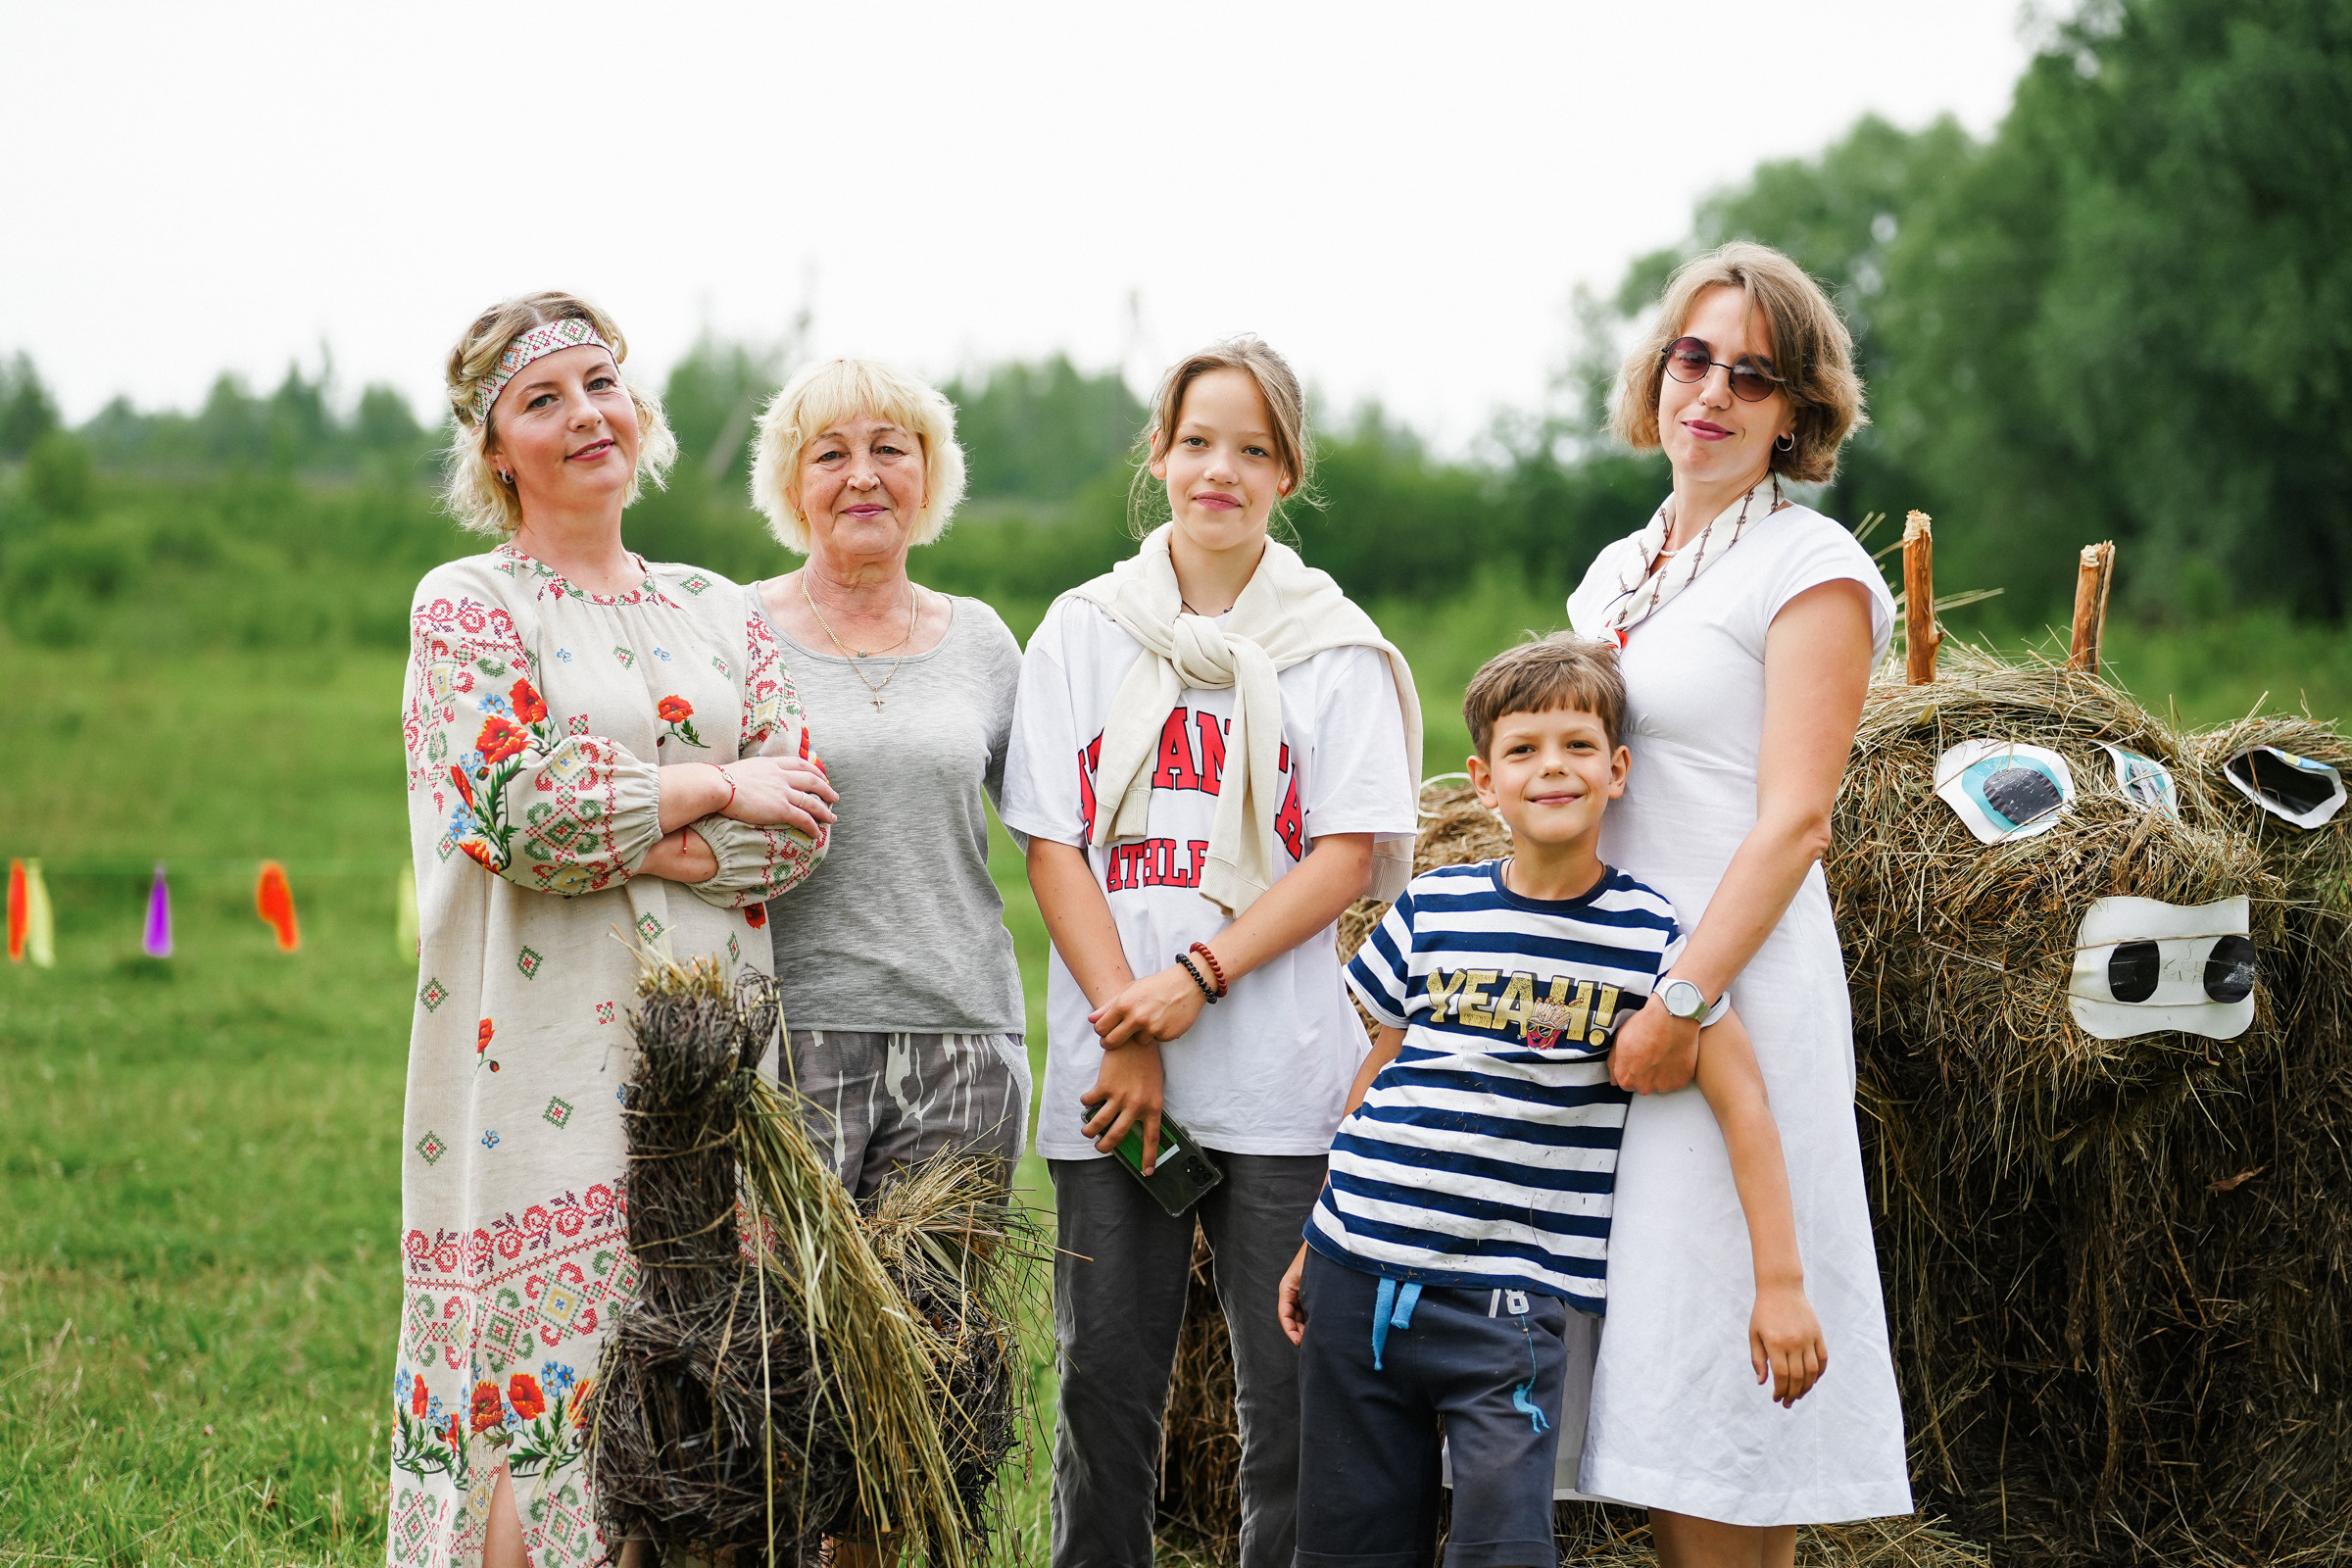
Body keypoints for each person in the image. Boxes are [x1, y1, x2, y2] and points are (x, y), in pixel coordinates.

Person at [387, 292, 834, 1568]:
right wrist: (706, 789)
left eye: (602, 385)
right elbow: (518, 809)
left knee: (696, 1401)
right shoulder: (470, 605)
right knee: (551, 1389)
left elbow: (796, 817)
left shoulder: (722, 607)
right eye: (543, 399)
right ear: (494, 449)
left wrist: (654, 826)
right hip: (532, 1066)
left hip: (712, 1059)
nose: (585, 414)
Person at [1000, 337, 1422, 1568]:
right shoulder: (1084, 630)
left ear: (1287, 470)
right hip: (1114, 1074)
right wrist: (1127, 1032)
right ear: (1159, 455)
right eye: (1196, 442)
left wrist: (1195, 980)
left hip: (1281, 1077)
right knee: (1104, 1396)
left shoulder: (1333, 646)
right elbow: (1051, 845)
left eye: (1250, 448)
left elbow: (1346, 853)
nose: (1218, 470)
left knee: (1286, 1403)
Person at [1276, 634, 1826, 1568]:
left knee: (1506, 1544)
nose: (1551, 769)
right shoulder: (1430, 907)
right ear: (1482, 782)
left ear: (1618, 771)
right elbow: (1378, 1073)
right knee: (1348, 1543)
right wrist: (1313, 1234)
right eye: (1523, 750)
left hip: (1508, 1307)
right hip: (1354, 1269)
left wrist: (1781, 1284)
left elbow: (1743, 1103)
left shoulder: (1651, 934)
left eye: (1577, 746)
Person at [1564, 241, 1911, 1565]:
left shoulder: (1810, 567)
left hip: (1731, 990)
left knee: (1721, 1347)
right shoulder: (1613, 571)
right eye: (1693, 358)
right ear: (1655, 374)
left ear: (1797, 410)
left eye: (1752, 375)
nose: (1711, 392)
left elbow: (1795, 820)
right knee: (1656, 1346)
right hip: (1620, 986)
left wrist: (1683, 998)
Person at [748, 359, 1029, 1199]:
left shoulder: (982, 640)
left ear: (928, 475)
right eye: (829, 454)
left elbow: (1058, 840)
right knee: (786, 1323)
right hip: (787, 1040)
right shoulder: (735, 628)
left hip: (965, 1043)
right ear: (793, 486)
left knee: (940, 1321)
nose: (863, 475)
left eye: (890, 450)